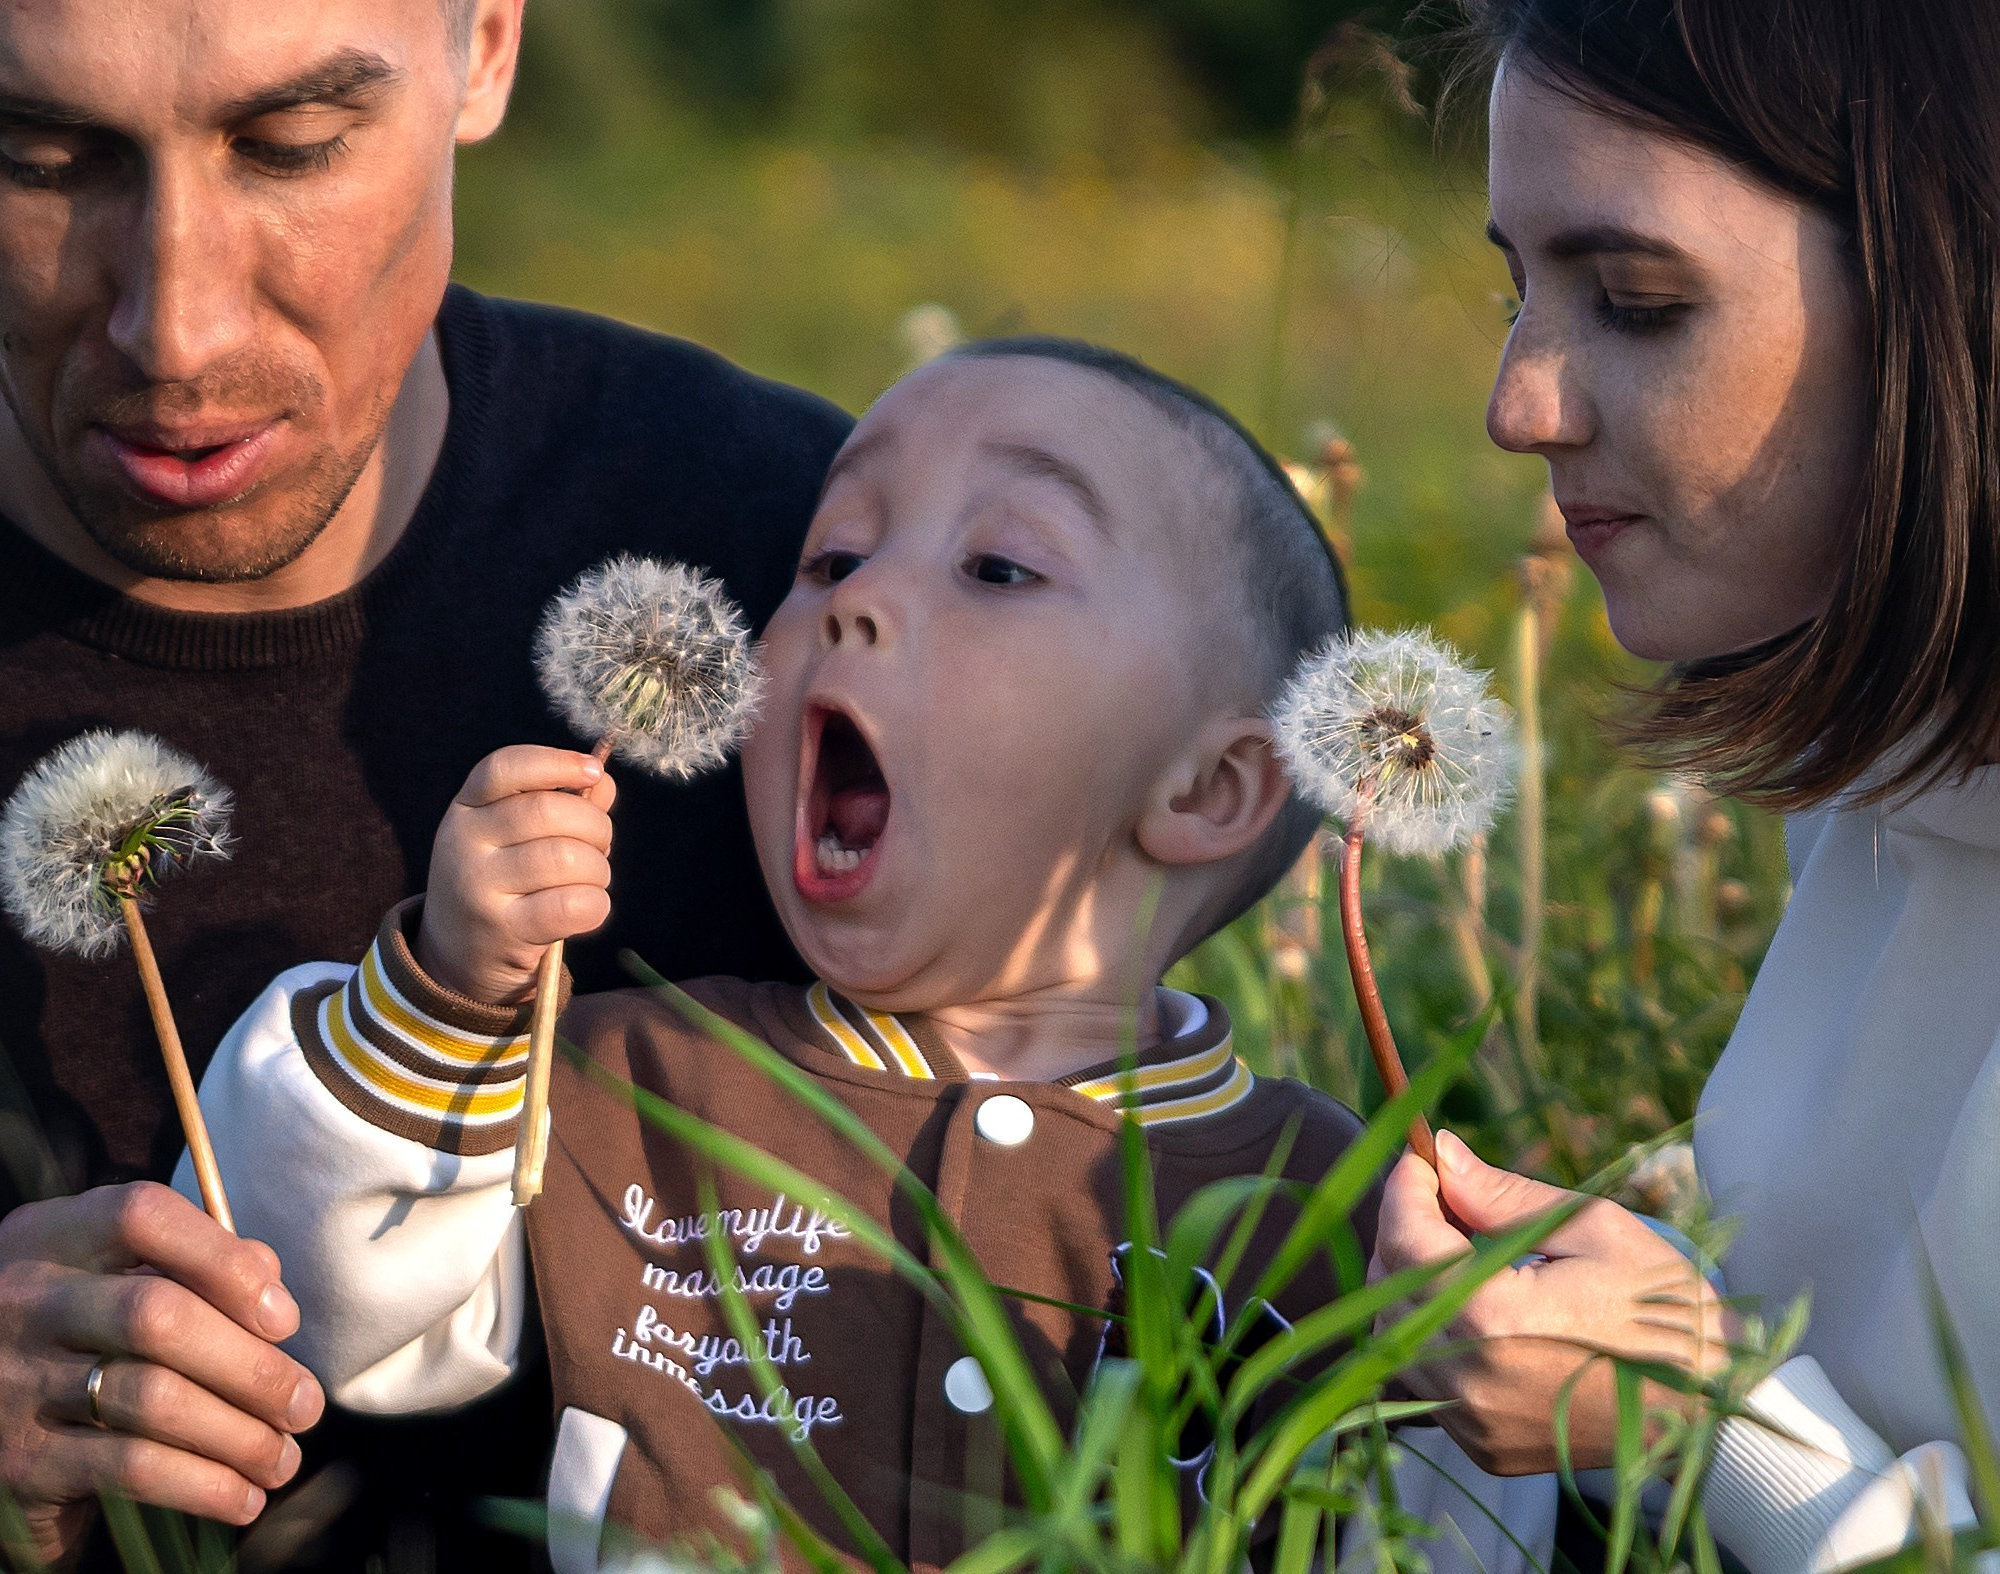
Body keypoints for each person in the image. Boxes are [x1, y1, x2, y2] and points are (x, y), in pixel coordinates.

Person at [0, 0, 850, 1568]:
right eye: (41, 158)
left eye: (291, 147)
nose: (180, 329)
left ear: (484, 45)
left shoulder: (799, 558)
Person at [180, 339, 1367, 1566]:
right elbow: (315, 1307)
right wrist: (447, 986)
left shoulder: (1336, 1204)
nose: (852, 598)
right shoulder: (633, 1083)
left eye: (998, 567)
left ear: (1210, 786)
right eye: (831, 557)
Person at [1373, 2, 2000, 1571]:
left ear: (1956, 287)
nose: (1521, 404)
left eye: (1639, 301)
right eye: (1521, 291)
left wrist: (1691, 1413)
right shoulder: (1877, 786)